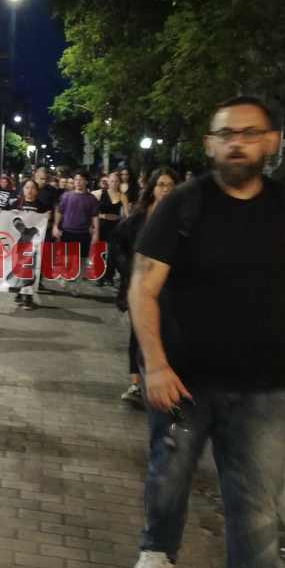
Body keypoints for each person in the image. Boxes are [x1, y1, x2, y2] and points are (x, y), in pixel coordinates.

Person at [126, 97, 285, 568]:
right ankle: (157, 550)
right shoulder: (182, 205)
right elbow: (142, 288)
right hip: (183, 383)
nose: (237, 143)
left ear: (271, 141)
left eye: (249, 133)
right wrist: (155, 366)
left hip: (265, 391)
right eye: (226, 134)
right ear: (209, 144)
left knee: (256, 508)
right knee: (169, 479)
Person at [111, 168, 178, 408]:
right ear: (152, 188)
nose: (165, 190)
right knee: (138, 332)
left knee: (167, 332)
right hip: (140, 286)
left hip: (169, 287)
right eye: (161, 184)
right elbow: (117, 243)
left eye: (170, 185)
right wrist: (128, 269)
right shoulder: (140, 217)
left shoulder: (183, 218)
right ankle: (136, 384)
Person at [53, 171, 99, 295]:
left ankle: (77, 284)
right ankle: (65, 277)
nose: (78, 182)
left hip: (84, 233)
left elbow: (95, 217)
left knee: (82, 260)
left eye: (81, 179)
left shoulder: (91, 199)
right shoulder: (66, 196)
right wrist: (55, 226)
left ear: (86, 182)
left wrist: (96, 233)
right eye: (76, 179)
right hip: (68, 231)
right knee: (67, 259)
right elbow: (59, 211)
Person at [92, 172, 129, 287]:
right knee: (100, 251)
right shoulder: (99, 194)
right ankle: (100, 277)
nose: (114, 183)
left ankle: (109, 276)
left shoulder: (122, 196)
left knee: (113, 252)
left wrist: (127, 226)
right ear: (108, 181)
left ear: (119, 183)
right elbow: (93, 211)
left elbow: (127, 215)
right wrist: (95, 222)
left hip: (115, 226)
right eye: (112, 181)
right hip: (102, 225)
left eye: (116, 181)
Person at [14, 179, 41, 311]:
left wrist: (48, 217)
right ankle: (21, 290)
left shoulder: (41, 206)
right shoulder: (16, 204)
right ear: (23, 189)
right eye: (27, 187)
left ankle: (27, 296)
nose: (29, 190)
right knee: (21, 267)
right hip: (19, 242)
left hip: (34, 243)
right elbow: (9, 219)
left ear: (37, 191)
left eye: (32, 188)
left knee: (30, 268)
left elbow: (44, 224)